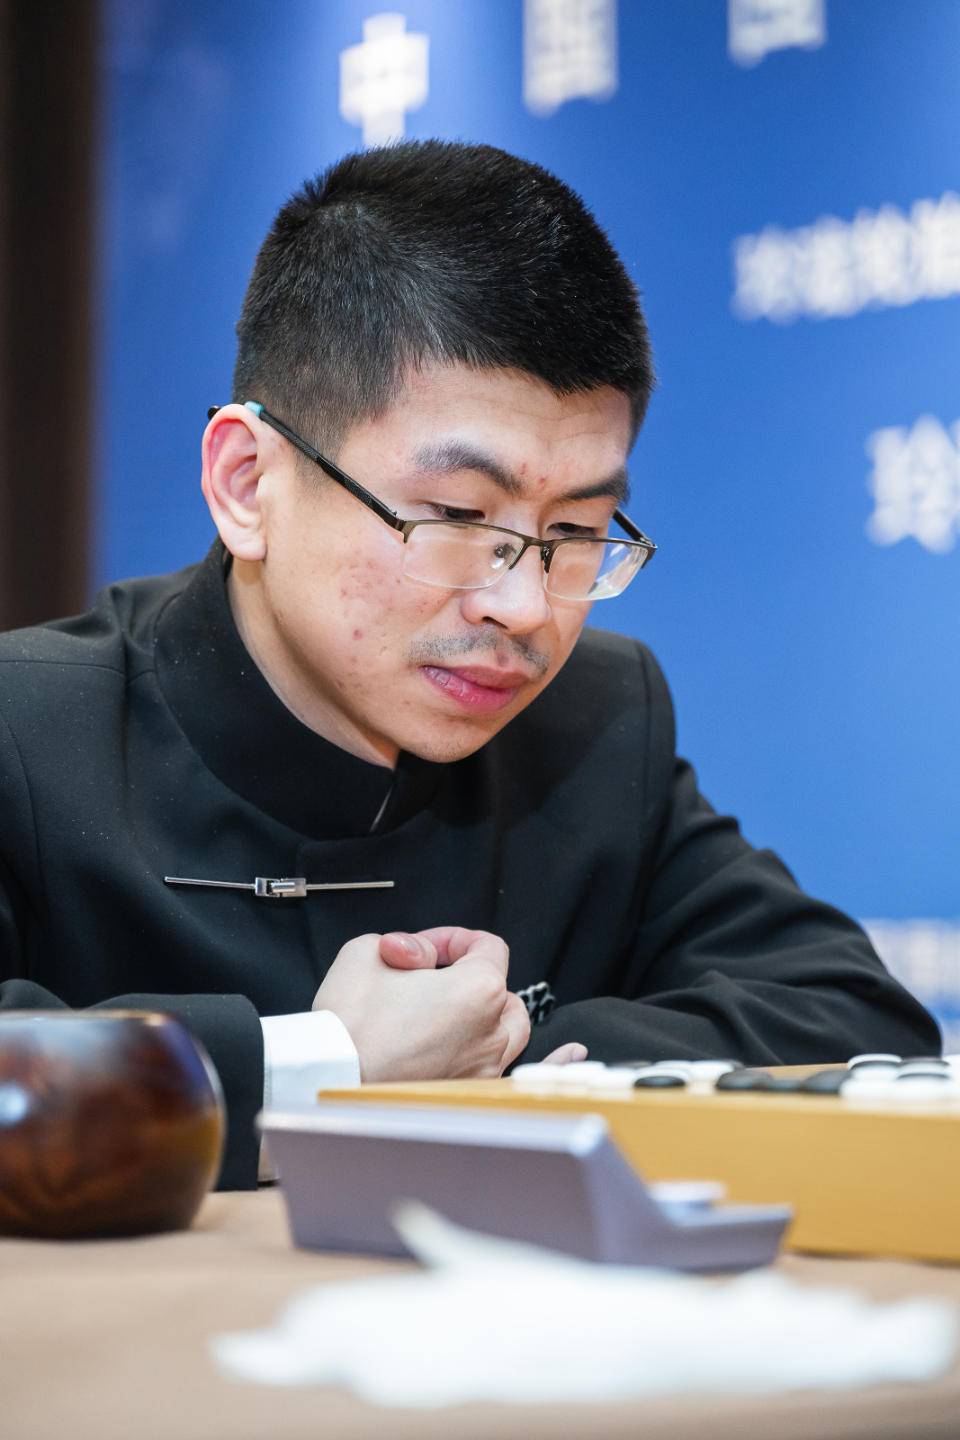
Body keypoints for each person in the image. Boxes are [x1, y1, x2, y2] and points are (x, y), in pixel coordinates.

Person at [0, 141, 939, 1187]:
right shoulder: (26, 730)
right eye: (455, 516)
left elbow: (855, 1023)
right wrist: (325, 1067)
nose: (524, 607)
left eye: (575, 532)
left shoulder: (595, 725)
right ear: (247, 484)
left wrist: (497, 1064)